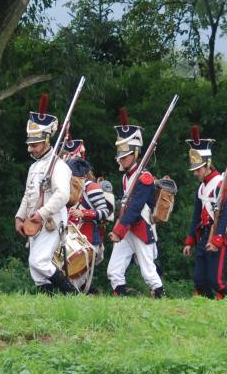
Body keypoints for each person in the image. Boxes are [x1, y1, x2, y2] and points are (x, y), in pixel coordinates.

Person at [14, 94, 77, 294]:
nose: (31, 148)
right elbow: (27, 195)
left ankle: (71, 293)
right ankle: (48, 301)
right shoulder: (34, 166)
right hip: (34, 220)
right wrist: (19, 216)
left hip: (51, 219)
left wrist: (42, 213)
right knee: (36, 270)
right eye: (30, 143)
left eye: (35, 144)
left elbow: (62, 195)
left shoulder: (58, 165)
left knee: (38, 261)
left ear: (47, 140)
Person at [107, 108, 165, 298]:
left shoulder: (145, 178)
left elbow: (135, 208)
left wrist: (118, 230)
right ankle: (121, 302)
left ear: (136, 153)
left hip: (140, 227)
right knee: (113, 270)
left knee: (149, 272)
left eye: (125, 155)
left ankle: (160, 299)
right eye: (120, 155)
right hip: (127, 228)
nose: (121, 159)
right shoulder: (126, 178)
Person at [182, 125, 227, 298]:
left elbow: (225, 215)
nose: (196, 173)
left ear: (208, 164)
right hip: (204, 235)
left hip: (219, 234)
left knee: (215, 281)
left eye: (198, 169)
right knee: (199, 280)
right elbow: (196, 217)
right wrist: (190, 241)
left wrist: (217, 239)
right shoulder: (201, 188)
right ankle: (208, 309)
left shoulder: (221, 184)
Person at [64, 156, 112, 292]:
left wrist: (85, 213)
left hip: (88, 240)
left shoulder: (91, 187)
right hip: (70, 239)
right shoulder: (67, 187)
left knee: (76, 278)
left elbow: (105, 212)